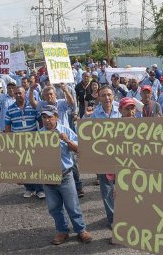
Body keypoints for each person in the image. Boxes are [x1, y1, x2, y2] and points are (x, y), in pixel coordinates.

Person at [39, 105, 92, 245]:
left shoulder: (65, 131)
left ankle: (81, 230)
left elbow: (80, 150)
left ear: (56, 117)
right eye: (44, 117)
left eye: (50, 117)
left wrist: (67, 140)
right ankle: (62, 231)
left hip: (65, 175)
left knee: (72, 205)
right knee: (54, 207)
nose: (47, 120)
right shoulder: (38, 135)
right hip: (48, 177)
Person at [89, 86, 121, 228]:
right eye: (103, 96)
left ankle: (127, 215)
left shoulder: (122, 110)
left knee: (125, 188)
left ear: (113, 96)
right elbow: (88, 138)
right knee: (107, 190)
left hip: (123, 157)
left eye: (109, 95)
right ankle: (113, 218)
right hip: (104, 159)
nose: (107, 98)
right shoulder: (94, 116)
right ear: (98, 97)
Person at [5, 86, 45, 199]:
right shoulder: (10, 109)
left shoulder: (32, 107)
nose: (18, 95)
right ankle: (29, 188)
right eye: (16, 93)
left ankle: (40, 189)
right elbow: (7, 126)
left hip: (33, 141)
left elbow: (40, 122)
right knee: (24, 166)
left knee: (35, 165)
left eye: (20, 93)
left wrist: (42, 136)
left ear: (25, 94)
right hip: (19, 142)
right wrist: (9, 141)